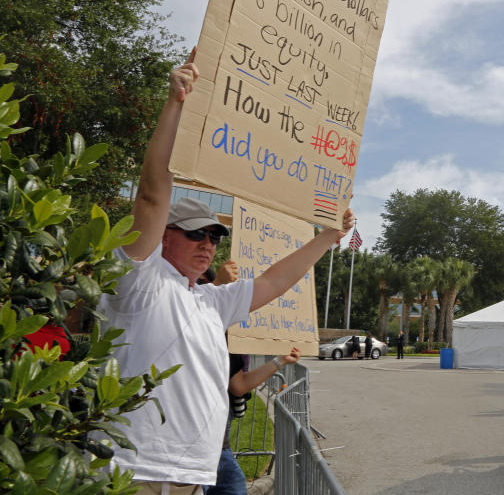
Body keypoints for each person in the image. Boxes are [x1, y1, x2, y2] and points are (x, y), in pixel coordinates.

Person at [97, 49, 354, 492]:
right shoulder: (139, 279)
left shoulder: (209, 300)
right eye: (196, 235)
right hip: (135, 471)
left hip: (191, 476)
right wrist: (175, 104)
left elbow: (275, 280)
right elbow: (152, 195)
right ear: (164, 236)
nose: (208, 245)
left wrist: (327, 237)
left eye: (214, 238)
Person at [197, 263, 298, 495]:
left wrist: (279, 361)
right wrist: (216, 286)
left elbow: (239, 385)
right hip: (189, 454)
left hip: (219, 450)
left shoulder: (226, 341)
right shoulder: (178, 331)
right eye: (199, 286)